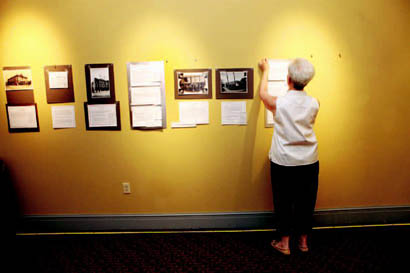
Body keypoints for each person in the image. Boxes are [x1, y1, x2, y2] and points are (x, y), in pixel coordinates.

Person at [258, 58, 320, 255]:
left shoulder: (279, 103)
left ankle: (284, 244)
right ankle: (303, 242)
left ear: (288, 79)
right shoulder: (315, 103)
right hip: (309, 160)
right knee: (306, 202)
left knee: (283, 201)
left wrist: (265, 70)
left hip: (283, 161)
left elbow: (263, 95)